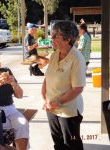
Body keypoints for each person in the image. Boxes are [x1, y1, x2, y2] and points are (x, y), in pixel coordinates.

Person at [41, 21, 86, 150]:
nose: (52, 38)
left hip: (68, 110)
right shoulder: (55, 54)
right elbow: (47, 79)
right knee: (58, 143)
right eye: (52, 34)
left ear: (67, 39)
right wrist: (45, 99)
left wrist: (58, 102)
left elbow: (77, 89)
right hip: (51, 107)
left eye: (56, 35)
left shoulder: (77, 59)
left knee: (72, 144)